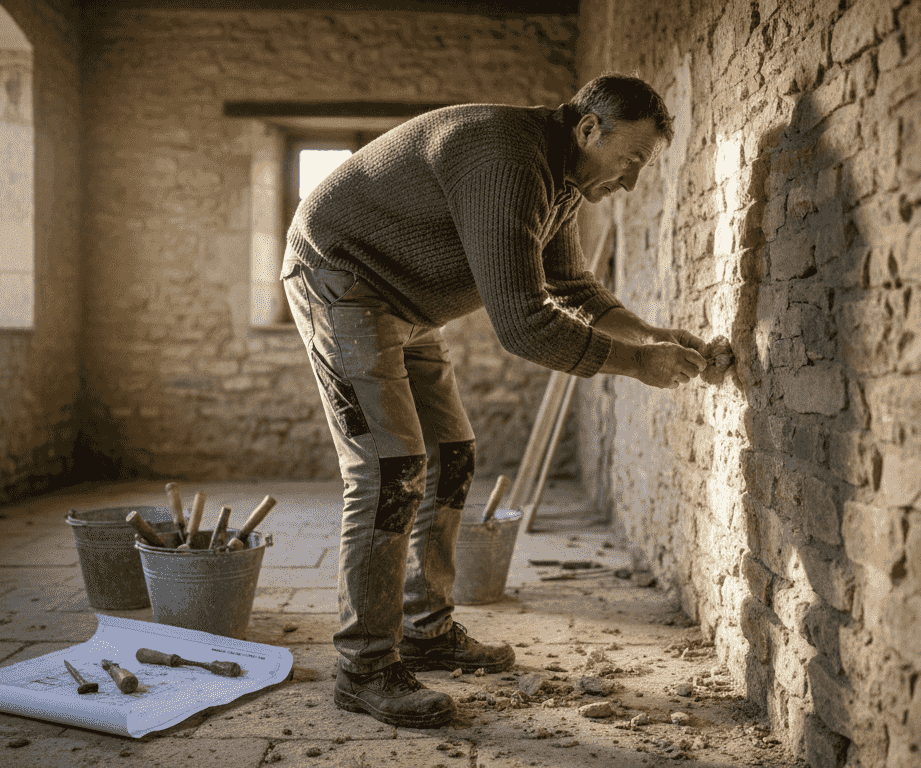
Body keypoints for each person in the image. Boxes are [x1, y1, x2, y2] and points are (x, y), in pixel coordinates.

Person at [281, 73, 731, 729]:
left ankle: (425, 628)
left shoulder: (561, 179)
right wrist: (636, 364)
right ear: (587, 130)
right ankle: (365, 667)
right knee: (388, 469)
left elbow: (571, 285)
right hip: (341, 282)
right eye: (630, 161)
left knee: (452, 456)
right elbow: (523, 324)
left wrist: (652, 335)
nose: (630, 183)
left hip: (405, 302)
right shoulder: (506, 157)